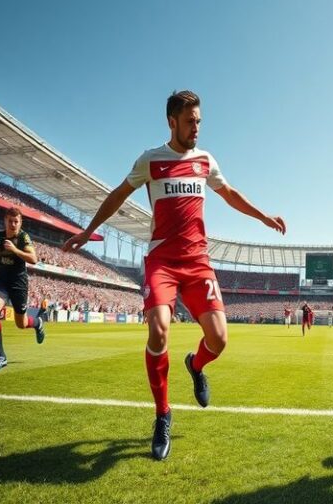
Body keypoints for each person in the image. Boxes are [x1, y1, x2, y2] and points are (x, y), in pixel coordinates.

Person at [61, 90, 285, 461]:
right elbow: (118, 194)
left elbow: (229, 194)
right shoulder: (151, 160)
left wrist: (263, 217)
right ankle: (163, 413)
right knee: (159, 328)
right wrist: (88, 230)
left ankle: (195, 366)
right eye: (190, 120)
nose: (196, 127)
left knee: (219, 339)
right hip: (162, 260)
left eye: (199, 120)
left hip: (198, 261)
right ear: (172, 121)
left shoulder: (205, 161)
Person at [0, 206, 45, 372]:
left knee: (21, 324)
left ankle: (38, 323)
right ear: (5, 221)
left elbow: (33, 259)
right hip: (2, 281)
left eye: (16, 221)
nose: (13, 224)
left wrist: (15, 250)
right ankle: (1, 357)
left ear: (20, 222)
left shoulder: (23, 237)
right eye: (10, 221)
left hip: (19, 284)